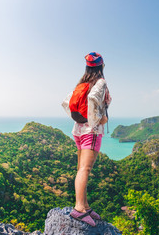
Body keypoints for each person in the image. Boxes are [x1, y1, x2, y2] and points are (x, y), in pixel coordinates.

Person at [62, 52, 111, 226]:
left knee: (81, 169)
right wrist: (99, 119)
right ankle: (79, 209)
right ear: (101, 66)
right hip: (91, 132)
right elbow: (92, 99)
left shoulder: (82, 83)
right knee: (85, 169)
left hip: (78, 130)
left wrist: (81, 118)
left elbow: (66, 102)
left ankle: (85, 205)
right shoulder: (100, 82)